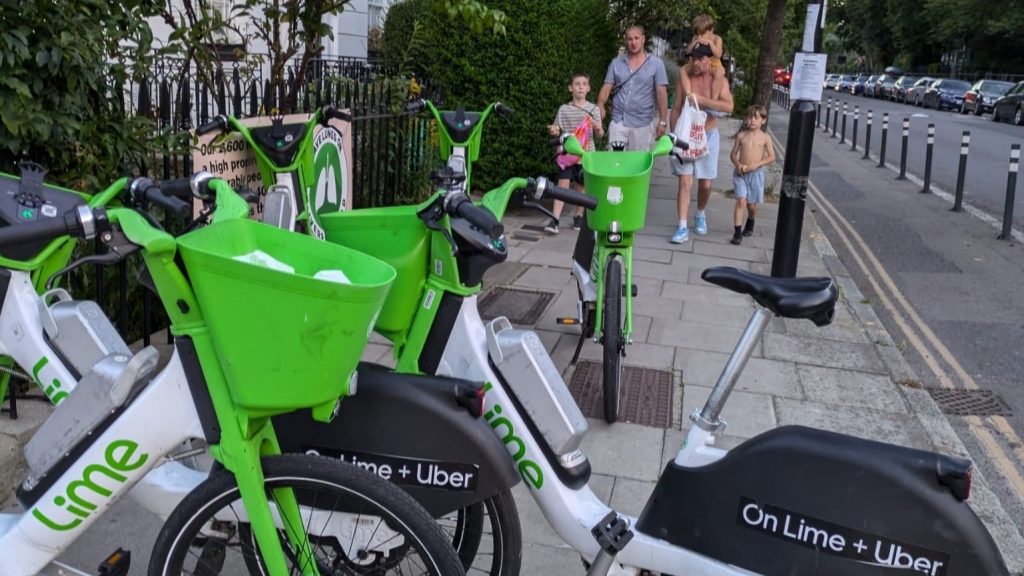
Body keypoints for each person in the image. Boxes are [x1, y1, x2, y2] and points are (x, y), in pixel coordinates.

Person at [669, 42, 734, 244]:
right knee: (685, 181)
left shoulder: (719, 81)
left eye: (701, 59)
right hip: (687, 136)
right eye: (693, 59)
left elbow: (729, 107)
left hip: (709, 135)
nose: (696, 63)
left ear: (710, 60)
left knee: (705, 184)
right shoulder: (685, 79)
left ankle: (700, 213)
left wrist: (701, 100)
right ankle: (681, 226)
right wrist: (673, 135)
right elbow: (677, 108)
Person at [546, 72, 604, 234]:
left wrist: (598, 127)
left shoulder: (594, 109)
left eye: (584, 84)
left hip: (586, 155)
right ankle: (555, 219)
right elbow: (558, 129)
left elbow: (600, 134)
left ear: (588, 88)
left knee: (581, 188)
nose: (580, 87)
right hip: (567, 154)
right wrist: (554, 130)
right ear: (570, 88)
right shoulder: (564, 109)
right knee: (562, 186)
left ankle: (578, 216)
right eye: (577, 84)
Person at [596, 25, 669, 151]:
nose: (633, 42)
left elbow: (661, 94)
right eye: (630, 39)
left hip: (642, 124)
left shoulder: (657, 64)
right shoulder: (616, 63)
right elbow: (607, 86)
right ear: (625, 41)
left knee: (637, 166)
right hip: (619, 121)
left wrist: (662, 121)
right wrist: (600, 104)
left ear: (643, 39)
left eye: (636, 38)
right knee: (615, 164)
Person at [728, 105, 775, 245]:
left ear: (763, 120)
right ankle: (737, 233)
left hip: (755, 174)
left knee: (751, 205)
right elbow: (733, 154)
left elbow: (772, 157)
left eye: (756, 117)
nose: (752, 120)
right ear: (746, 120)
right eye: (749, 117)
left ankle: (751, 219)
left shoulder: (766, 138)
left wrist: (758, 164)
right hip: (740, 174)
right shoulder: (741, 136)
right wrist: (737, 165)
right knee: (741, 201)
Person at [678, 14, 726, 114]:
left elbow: (718, 54)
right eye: (697, 34)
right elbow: (688, 52)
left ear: (711, 30)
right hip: (696, 60)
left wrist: (710, 43)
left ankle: (713, 101)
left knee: (720, 73)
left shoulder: (716, 39)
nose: (700, 37)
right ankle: (688, 95)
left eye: (702, 34)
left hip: (713, 62)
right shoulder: (696, 38)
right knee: (683, 70)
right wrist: (695, 43)